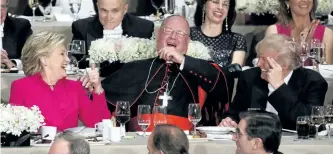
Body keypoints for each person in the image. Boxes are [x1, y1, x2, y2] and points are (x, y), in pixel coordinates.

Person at [102, 15, 233, 131]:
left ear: (187, 43)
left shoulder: (196, 69)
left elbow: (220, 81)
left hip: (183, 139)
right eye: (168, 30)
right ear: (158, 35)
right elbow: (103, 95)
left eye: (180, 33)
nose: (173, 36)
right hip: (140, 138)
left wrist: (183, 60)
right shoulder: (136, 67)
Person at [220, 34, 328, 130]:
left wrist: (279, 87)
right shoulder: (249, 76)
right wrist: (230, 120)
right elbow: (235, 112)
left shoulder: (312, 81)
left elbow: (309, 121)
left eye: (264, 59)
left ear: (285, 65)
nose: (258, 64)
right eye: (258, 58)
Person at [9, 31, 111, 131]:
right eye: (62, 54)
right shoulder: (21, 87)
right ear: (44, 59)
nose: (68, 59)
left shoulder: (74, 87)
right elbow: (15, 128)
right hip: (37, 147)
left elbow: (100, 125)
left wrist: (98, 89)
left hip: (68, 147)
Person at [191, 0, 245, 126]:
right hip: (193, 103)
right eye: (215, 2)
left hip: (222, 108)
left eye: (225, 4)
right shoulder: (190, 35)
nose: (220, 8)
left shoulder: (237, 40)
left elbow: (234, 72)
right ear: (204, 4)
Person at [72, 0, 154, 77]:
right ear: (97, 7)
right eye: (104, 10)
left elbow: (149, 66)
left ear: (125, 9)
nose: (109, 17)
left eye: (115, 11)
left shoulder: (144, 28)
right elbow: (75, 62)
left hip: (132, 87)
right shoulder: (81, 27)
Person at [265, 0, 333, 64]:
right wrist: (300, 49)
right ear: (287, 1)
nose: (304, 0)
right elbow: (270, 68)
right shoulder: (274, 31)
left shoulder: (326, 34)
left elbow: (325, 73)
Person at [1, 0, 32, 69]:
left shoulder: (21, 27)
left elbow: (31, 59)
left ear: (7, 8)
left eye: (2, 7)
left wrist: (10, 63)